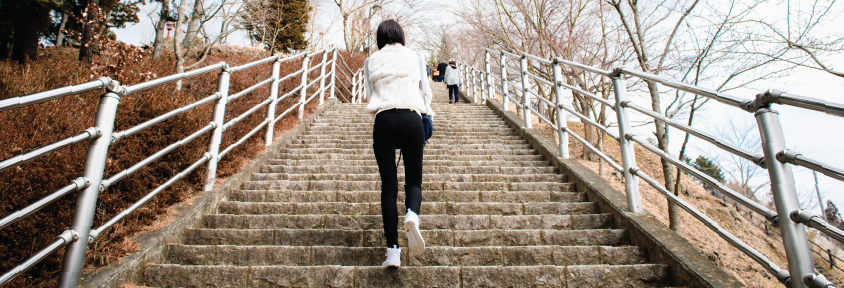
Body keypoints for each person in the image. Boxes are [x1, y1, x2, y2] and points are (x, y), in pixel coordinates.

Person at [363, 19, 434, 268]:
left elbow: (369, 96)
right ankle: (412, 214)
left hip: (383, 120)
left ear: (380, 37)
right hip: (411, 117)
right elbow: (426, 91)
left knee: (389, 187)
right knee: (413, 181)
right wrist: (428, 114)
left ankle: (393, 251)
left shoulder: (370, 60)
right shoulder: (416, 57)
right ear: (401, 35)